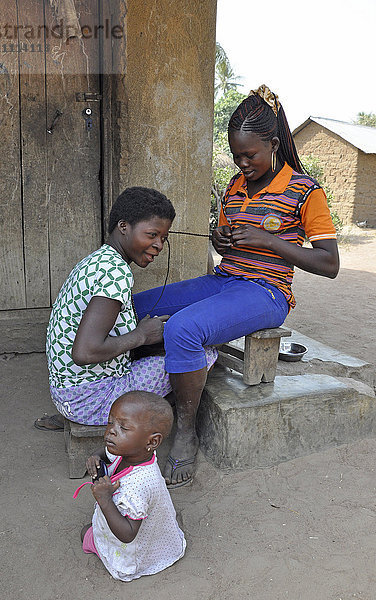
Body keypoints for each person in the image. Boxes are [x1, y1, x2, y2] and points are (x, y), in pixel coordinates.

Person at [134, 85, 340, 488]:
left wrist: (269, 241)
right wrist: (220, 240)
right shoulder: (233, 187)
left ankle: (187, 430)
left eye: (251, 155)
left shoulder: (305, 191)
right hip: (224, 279)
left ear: (274, 144)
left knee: (183, 328)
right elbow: (227, 240)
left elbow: (330, 263)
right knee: (134, 305)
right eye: (237, 155)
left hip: (265, 292)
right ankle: (121, 397)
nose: (243, 163)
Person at [35, 186, 217, 430]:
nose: (159, 245)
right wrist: (141, 335)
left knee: (160, 350)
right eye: (152, 234)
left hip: (66, 395)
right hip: (91, 400)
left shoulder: (98, 260)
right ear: (123, 227)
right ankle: (171, 426)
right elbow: (84, 352)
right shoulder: (115, 272)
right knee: (204, 354)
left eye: (163, 238)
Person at [80, 391, 186, 581]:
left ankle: (118, 558)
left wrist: (105, 500)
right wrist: (96, 457)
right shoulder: (133, 452)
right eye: (111, 422)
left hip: (133, 549)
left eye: (123, 427)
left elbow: (128, 534)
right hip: (151, 535)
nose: (112, 430)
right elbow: (105, 453)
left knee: (85, 534)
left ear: (152, 441)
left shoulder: (139, 485)